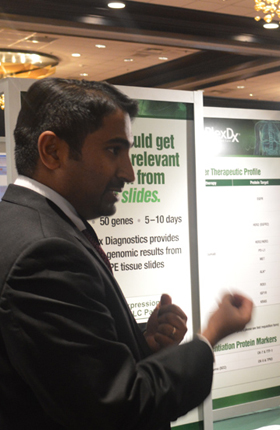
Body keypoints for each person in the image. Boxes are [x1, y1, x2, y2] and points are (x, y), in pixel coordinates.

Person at [0, 78, 253, 430]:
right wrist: (209, 338)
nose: (129, 173)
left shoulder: (20, 221)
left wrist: (138, 343)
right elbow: (119, 408)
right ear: (52, 151)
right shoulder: (44, 254)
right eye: (113, 150)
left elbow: (61, 368)